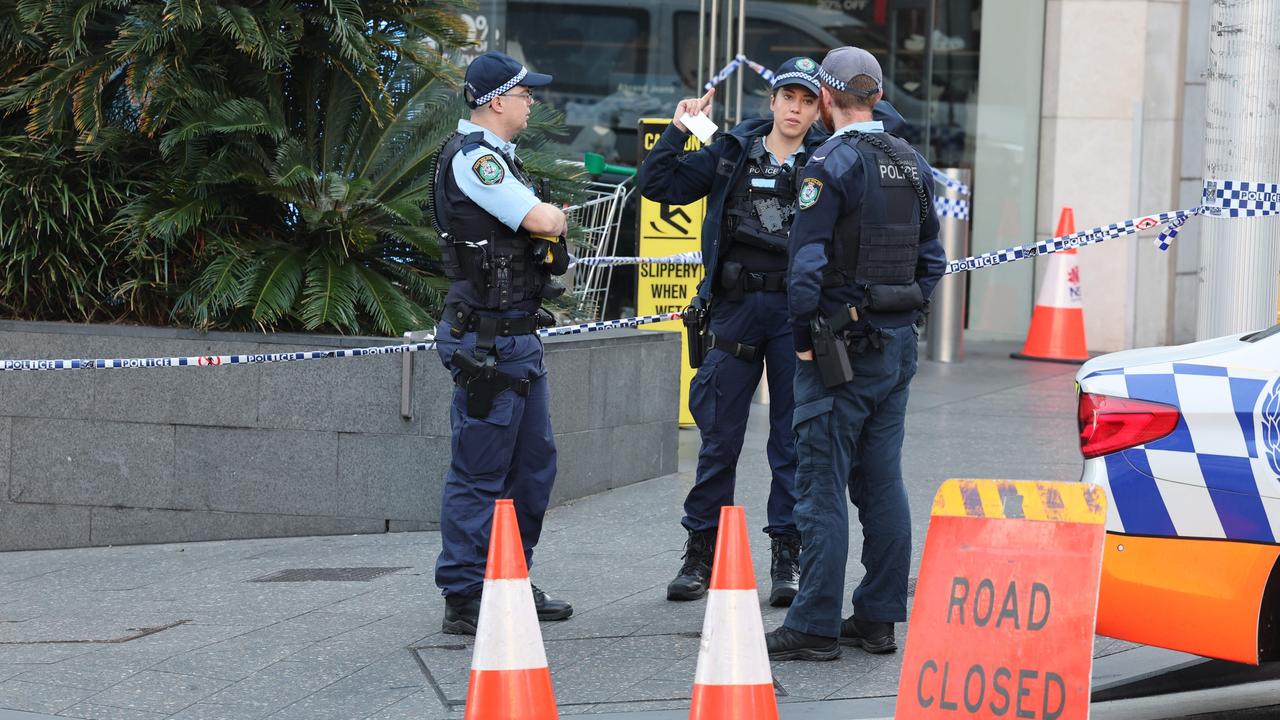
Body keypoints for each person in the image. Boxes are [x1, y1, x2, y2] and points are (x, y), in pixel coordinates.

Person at [764, 47, 946, 660]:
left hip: (840, 348)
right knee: (883, 481)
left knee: (820, 485)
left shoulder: (831, 162)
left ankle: (813, 624)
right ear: (874, 94)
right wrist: (899, 310)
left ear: (825, 96)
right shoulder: (910, 161)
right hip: (895, 348)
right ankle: (877, 618)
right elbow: (933, 259)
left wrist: (804, 346)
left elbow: (805, 266)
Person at [640, 58, 827, 606]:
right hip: (736, 308)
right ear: (771, 101)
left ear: (819, 110)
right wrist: (679, 129)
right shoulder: (733, 152)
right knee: (719, 438)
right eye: (788, 97)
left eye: (807, 101)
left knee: (791, 442)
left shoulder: (827, 160)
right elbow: (657, 185)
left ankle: (786, 557)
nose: (795, 108)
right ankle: (702, 552)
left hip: (797, 314)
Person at [428, 51, 574, 635]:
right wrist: (554, 218)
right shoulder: (476, 162)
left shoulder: (500, 160)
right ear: (495, 101)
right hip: (488, 341)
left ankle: (509, 578)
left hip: (517, 336)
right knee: (480, 473)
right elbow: (541, 222)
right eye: (524, 94)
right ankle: (465, 595)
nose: (531, 102)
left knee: (533, 469)